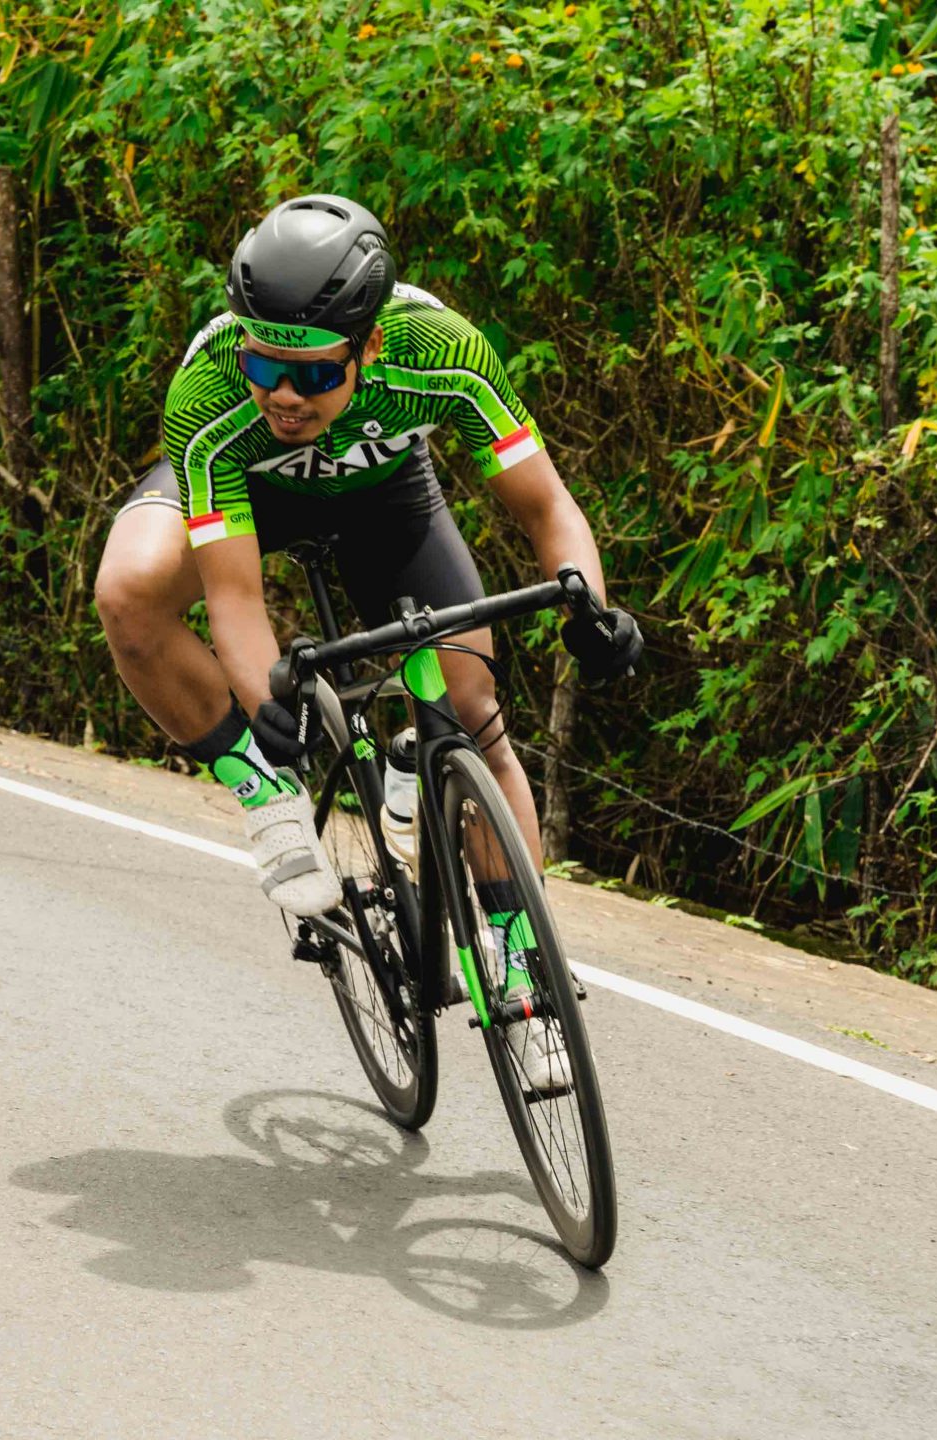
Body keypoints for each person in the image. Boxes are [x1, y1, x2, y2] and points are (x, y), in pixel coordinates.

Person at [94, 195, 641, 1082]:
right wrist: (263, 704)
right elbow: (235, 596)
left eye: (310, 375)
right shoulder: (211, 390)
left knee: (470, 706)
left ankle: (524, 971)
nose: (280, 392)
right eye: (265, 363)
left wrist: (593, 611)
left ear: (371, 348)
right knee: (126, 593)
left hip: (386, 501)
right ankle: (259, 783)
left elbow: (546, 505)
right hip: (248, 498)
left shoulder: (439, 349)